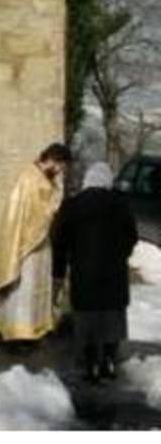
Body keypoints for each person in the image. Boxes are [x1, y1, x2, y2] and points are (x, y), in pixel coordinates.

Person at [51, 162, 138, 383]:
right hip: (114, 274)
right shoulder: (120, 204)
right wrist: (121, 254)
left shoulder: (72, 205)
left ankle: (91, 366)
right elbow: (132, 236)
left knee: (86, 320)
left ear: (87, 180)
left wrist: (59, 273)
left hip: (84, 273)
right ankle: (109, 361)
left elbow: (59, 241)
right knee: (112, 317)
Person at [0, 142, 72, 344]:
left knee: (37, 286)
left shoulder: (43, 178)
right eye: (60, 166)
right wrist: (54, 205)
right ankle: (18, 332)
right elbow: (36, 213)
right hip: (29, 244)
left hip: (40, 243)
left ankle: (34, 327)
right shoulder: (30, 178)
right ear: (52, 159)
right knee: (25, 287)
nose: (60, 171)